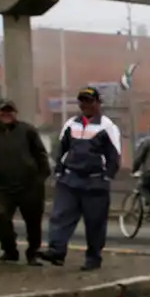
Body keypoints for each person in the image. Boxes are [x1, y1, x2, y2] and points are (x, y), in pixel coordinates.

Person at [40, 86, 121, 271]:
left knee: (94, 223)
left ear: (98, 104)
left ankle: (93, 258)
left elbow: (114, 154)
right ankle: (57, 252)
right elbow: (61, 149)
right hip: (70, 180)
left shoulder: (107, 126)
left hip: (95, 182)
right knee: (60, 217)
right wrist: (59, 171)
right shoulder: (71, 124)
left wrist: (107, 176)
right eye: (82, 101)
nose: (86, 105)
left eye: (89, 101)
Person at [0, 97, 51, 265]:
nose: (6, 114)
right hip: (1, 187)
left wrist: (40, 178)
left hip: (29, 186)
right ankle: (10, 251)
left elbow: (41, 155)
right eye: (3, 111)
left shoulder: (28, 131)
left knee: (33, 223)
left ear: (15, 113)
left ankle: (33, 253)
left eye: (9, 111)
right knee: (0, 219)